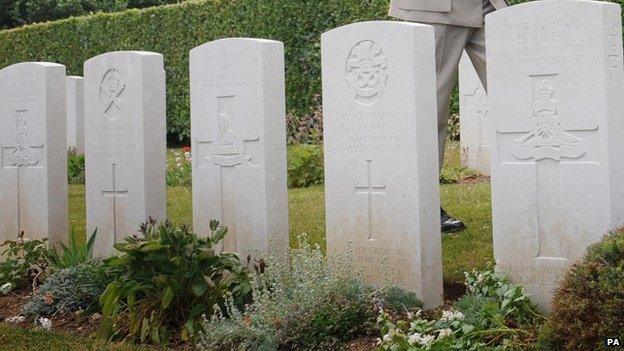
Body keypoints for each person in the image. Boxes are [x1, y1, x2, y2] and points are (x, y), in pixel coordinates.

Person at [389, 0, 508, 232]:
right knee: (428, 112)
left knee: (517, 97)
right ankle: (420, 204)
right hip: (435, 9)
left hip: (487, 6)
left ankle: (537, 195)